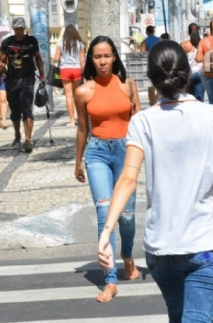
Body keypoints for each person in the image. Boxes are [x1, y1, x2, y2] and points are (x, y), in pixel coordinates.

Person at [97, 40, 213, 321]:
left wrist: (105, 234)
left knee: (178, 316)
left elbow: (127, 179)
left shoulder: (142, 121)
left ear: (151, 78)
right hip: (206, 248)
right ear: (188, 72)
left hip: (161, 251)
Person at [74, 35, 141, 303]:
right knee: (104, 212)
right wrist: (78, 160)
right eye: (97, 56)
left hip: (126, 152)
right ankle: (110, 279)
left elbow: (138, 122)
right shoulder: (84, 91)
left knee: (126, 215)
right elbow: (82, 128)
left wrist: (143, 153)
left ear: (115, 57)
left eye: (107, 56)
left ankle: (127, 256)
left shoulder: (128, 85)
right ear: (91, 59)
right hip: (97, 153)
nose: (102, 61)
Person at [0, 17, 44, 153]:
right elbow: (2, 62)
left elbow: (38, 58)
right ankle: (17, 135)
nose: (19, 31)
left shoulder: (31, 41)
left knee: (27, 109)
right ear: (13, 29)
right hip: (12, 79)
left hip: (28, 78)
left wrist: (42, 74)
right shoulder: (7, 42)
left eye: (21, 28)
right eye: (17, 29)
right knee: (15, 111)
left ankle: (28, 139)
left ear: (24, 28)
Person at [53, 24, 86, 126]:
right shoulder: (80, 44)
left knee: (68, 96)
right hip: (77, 69)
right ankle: (78, 116)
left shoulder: (60, 43)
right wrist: (84, 73)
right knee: (76, 94)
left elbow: (56, 59)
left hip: (65, 70)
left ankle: (71, 120)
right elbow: (82, 60)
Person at [181, 23, 205, 101]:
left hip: (189, 74)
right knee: (199, 98)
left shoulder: (185, 44)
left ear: (188, 32)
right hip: (201, 73)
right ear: (198, 31)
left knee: (190, 99)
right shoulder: (203, 43)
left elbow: (180, 60)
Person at [140, 26, 161, 106]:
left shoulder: (145, 42)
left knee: (151, 87)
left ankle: (152, 104)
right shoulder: (159, 40)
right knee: (159, 86)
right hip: (159, 65)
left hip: (150, 66)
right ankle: (157, 101)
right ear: (153, 31)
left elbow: (142, 53)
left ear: (147, 32)